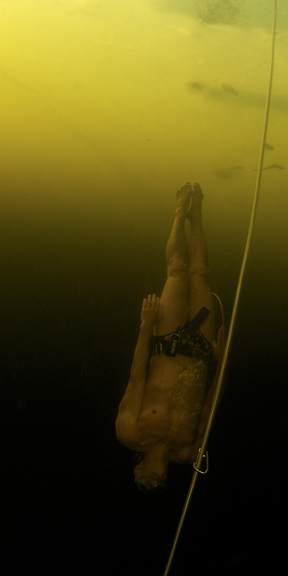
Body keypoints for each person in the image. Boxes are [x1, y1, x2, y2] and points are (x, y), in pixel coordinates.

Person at [115, 182, 225, 493]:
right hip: (204, 350)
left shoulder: (130, 432)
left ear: (137, 467)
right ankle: (198, 216)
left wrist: (145, 326)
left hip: (166, 339)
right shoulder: (188, 453)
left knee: (177, 271)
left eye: (143, 482)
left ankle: (180, 212)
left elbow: (136, 378)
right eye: (157, 486)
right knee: (200, 273)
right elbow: (208, 407)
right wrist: (220, 363)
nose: (154, 482)